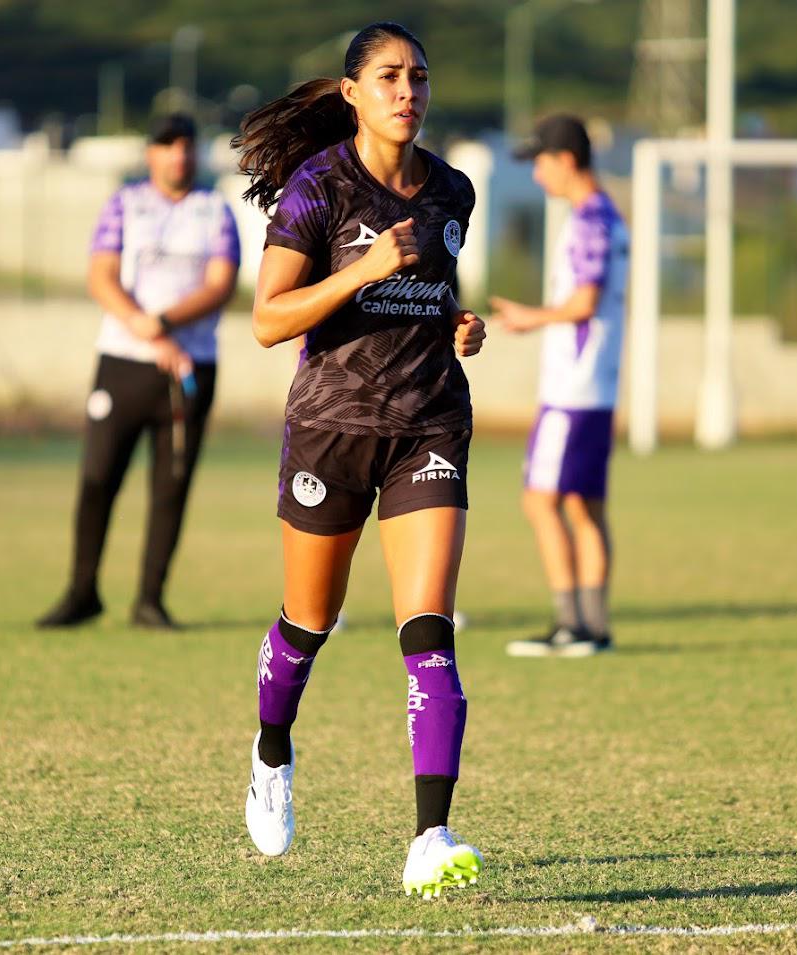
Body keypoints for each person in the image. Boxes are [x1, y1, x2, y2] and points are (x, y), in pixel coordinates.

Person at [232, 21, 487, 898]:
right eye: (388, 76)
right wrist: (363, 269)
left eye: (419, 76)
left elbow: (434, 291)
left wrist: (458, 324)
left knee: (429, 631)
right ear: (351, 92)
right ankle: (271, 752)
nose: (407, 91)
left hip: (429, 426)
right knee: (308, 623)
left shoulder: (452, 190)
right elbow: (268, 320)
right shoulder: (318, 188)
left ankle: (430, 835)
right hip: (331, 430)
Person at [37, 114, 239, 630]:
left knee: (171, 486)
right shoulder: (125, 204)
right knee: (98, 477)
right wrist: (146, 329)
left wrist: (166, 323)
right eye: (168, 145)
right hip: (124, 363)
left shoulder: (214, 210)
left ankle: (150, 599)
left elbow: (220, 284)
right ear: (151, 153)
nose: (178, 155)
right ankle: (82, 591)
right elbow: (101, 276)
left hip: (190, 368)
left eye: (186, 146)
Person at [490, 115, 628, 658]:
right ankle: (593, 626)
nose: (537, 174)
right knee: (584, 507)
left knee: (540, 501)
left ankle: (573, 625)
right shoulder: (606, 216)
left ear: (566, 160)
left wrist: (531, 317)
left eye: (541, 162)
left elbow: (585, 302)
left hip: (573, 391)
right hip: (595, 388)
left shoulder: (590, 219)